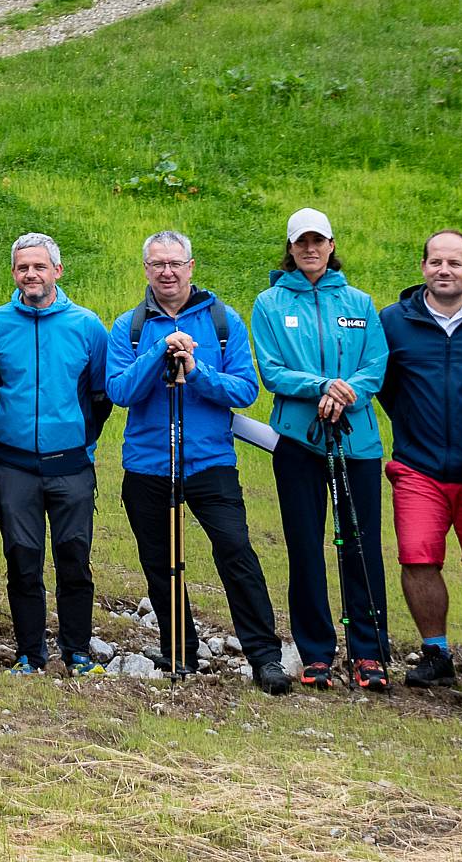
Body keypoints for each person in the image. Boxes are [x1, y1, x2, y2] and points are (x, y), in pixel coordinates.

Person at [106, 229, 292, 694]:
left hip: (210, 463)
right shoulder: (128, 327)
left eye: (175, 263)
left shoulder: (223, 320)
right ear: (146, 269)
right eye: (156, 264)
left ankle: (265, 658)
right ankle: (179, 651)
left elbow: (246, 390)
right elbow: (120, 391)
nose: (166, 272)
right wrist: (158, 353)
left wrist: (197, 369)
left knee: (236, 552)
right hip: (148, 464)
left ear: (191, 267)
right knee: (160, 561)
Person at [249, 208, 392, 690]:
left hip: (357, 441)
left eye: (319, 240)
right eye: (300, 242)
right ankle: (316, 653)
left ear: (332, 245)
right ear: (289, 248)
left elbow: (375, 365)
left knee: (361, 545)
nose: (310, 249)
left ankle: (369, 654)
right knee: (305, 546)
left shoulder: (359, 302)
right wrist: (323, 386)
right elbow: (272, 371)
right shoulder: (269, 304)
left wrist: (345, 391)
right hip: (299, 441)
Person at [377, 229, 462, 692]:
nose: (443, 270)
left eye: (454, 263)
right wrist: (412, 422)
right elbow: (383, 384)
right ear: (423, 267)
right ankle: (435, 652)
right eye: (435, 262)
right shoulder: (393, 321)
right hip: (419, 466)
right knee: (417, 558)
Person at [0, 229, 111, 675]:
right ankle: (30, 654)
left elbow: (100, 394)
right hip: (15, 465)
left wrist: (78, 440)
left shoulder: (88, 326)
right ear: (14, 273)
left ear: (57, 270)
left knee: (74, 558)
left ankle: (77, 652)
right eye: (23, 267)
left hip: (71, 466)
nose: (31, 274)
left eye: (40, 266)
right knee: (22, 559)